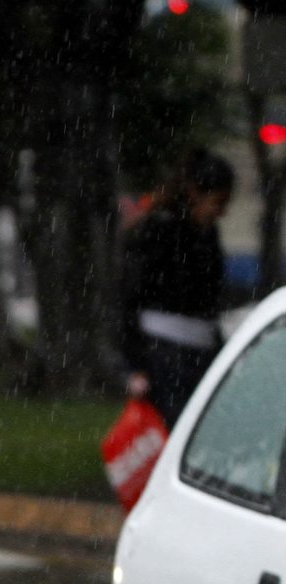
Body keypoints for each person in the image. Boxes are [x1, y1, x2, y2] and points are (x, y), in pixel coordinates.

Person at [122, 148, 235, 427]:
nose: (220, 212)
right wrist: (135, 365)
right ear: (196, 193)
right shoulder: (160, 230)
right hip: (164, 350)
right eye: (217, 202)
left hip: (196, 347)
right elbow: (131, 297)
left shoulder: (205, 234)